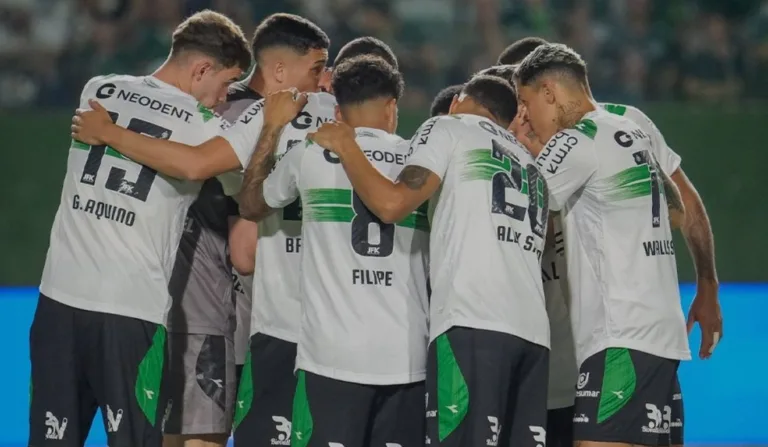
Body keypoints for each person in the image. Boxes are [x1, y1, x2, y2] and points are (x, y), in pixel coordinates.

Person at [31, 10, 250, 447]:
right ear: (201, 69)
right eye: (225, 83)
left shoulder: (100, 90)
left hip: (58, 300)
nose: (223, 97)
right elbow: (200, 165)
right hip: (131, 309)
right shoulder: (203, 126)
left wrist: (111, 133)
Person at [503, 36, 722, 447]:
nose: (526, 117)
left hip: (619, 335)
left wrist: (515, 147)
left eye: (527, 104)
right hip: (658, 333)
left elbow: (517, 208)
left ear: (549, 93)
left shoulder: (576, 139)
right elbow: (678, 208)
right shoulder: (628, 128)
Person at [310, 74, 550, 447]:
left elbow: (392, 205)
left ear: (458, 102)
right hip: (534, 336)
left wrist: (347, 147)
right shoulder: (530, 163)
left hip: (473, 323)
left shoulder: (449, 126)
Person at [234, 54, 430, 447]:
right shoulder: (422, 163)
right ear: (392, 106)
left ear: (337, 110)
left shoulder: (309, 153)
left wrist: (272, 127)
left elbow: (250, 205)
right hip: (406, 359)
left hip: (330, 358)